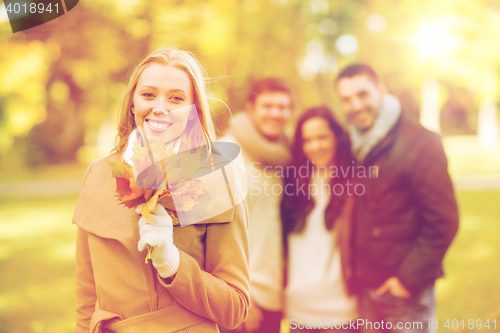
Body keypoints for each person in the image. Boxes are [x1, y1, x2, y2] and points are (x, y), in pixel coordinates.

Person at [73, 47, 250, 333]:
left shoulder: (221, 178)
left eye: (176, 98)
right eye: (148, 94)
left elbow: (235, 308)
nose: (160, 107)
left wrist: (172, 261)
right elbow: (86, 295)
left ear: (193, 110)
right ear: (132, 103)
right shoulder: (98, 174)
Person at [334, 64, 459, 333]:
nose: (355, 105)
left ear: (381, 90)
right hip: (366, 293)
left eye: (362, 94)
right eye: (346, 99)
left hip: (405, 296)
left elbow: (444, 221)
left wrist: (406, 281)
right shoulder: (355, 144)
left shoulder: (420, 142)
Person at [219, 77, 294, 333]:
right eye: (268, 105)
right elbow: (204, 232)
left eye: (282, 107)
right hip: (239, 295)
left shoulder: (289, 156)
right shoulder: (224, 151)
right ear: (251, 109)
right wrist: (238, 294)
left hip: (274, 294)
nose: (275, 113)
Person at [281, 106, 358, 333]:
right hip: (299, 312)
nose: (315, 146)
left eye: (322, 137)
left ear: (337, 137)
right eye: (307, 140)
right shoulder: (292, 184)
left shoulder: (355, 185)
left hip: (343, 312)